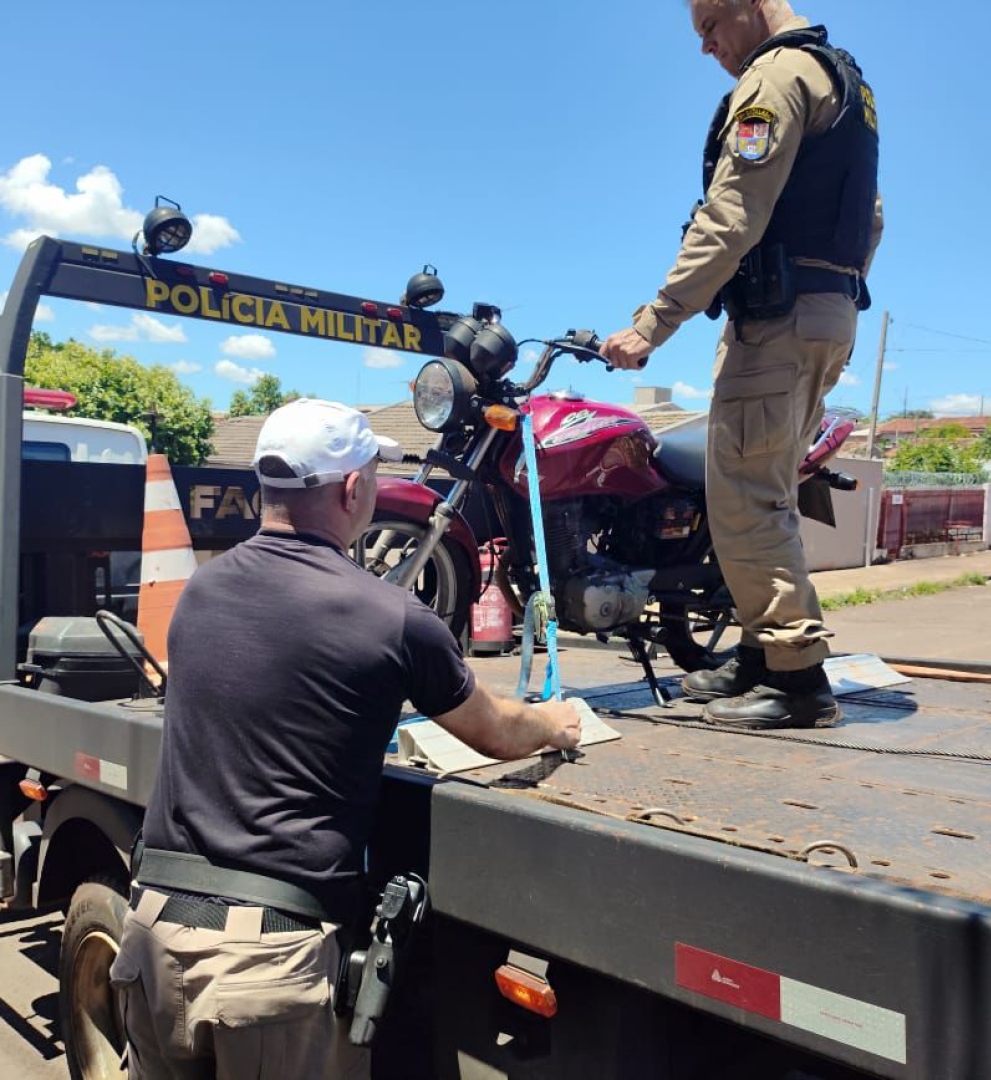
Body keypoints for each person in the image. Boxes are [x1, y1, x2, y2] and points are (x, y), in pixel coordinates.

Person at [110, 398, 581, 1079]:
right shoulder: (390, 617)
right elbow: (497, 733)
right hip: (267, 965)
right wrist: (555, 722)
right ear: (354, 490)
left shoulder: (200, 593)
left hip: (152, 933)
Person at [601, 0, 883, 731]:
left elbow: (730, 217)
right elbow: (870, 213)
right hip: (828, 309)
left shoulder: (774, 79)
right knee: (761, 492)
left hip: (780, 321)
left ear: (748, 6)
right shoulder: (842, 78)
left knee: (746, 497)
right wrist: (830, 286)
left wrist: (650, 324)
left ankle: (797, 680)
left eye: (709, 29)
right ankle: (762, 656)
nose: (707, 50)